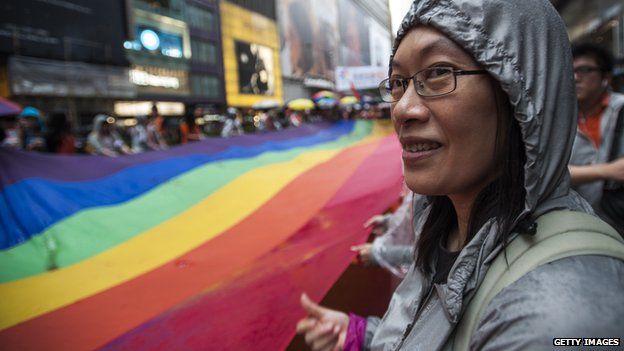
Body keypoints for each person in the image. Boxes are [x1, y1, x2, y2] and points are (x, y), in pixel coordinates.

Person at [296, 1, 624, 350]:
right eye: (397, 82)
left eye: (438, 72)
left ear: (522, 91)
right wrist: (362, 335)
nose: (403, 109)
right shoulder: (443, 228)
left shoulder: (557, 318)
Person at [569, 43, 624, 233]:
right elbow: (549, 174)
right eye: (571, 70)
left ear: (606, 78)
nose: (576, 78)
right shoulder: (557, 118)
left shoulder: (620, 111)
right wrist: (608, 171)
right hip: (579, 226)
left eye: (585, 70)